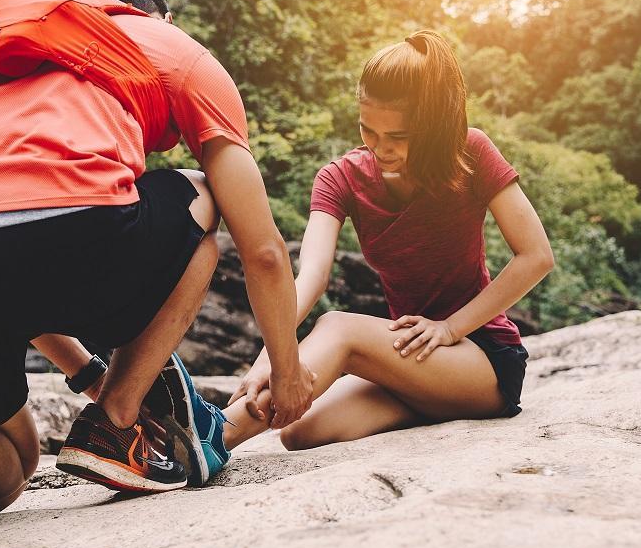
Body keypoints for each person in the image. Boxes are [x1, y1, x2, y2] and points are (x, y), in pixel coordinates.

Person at [0, 0, 312, 548]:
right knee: (201, 196)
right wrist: (288, 374)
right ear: (162, 21)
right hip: (51, 230)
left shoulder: (20, 44)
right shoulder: (174, 49)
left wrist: (88, 373)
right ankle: (115, 427)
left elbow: (10, 253)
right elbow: (263, 249)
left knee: (9, 471)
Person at [217, 30, 553, 453]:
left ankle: (211, 438)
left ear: (431, 125)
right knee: (299, 431)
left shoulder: (470, 151)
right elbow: (312, 277)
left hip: (481, 358)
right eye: (368, 130)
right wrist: (271, 357)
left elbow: (536, 255)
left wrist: (451, 328)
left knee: (338, 327)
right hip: (413, 361)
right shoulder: (339, 178)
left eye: (399, 137)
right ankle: (428, 398)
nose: (380, 148)